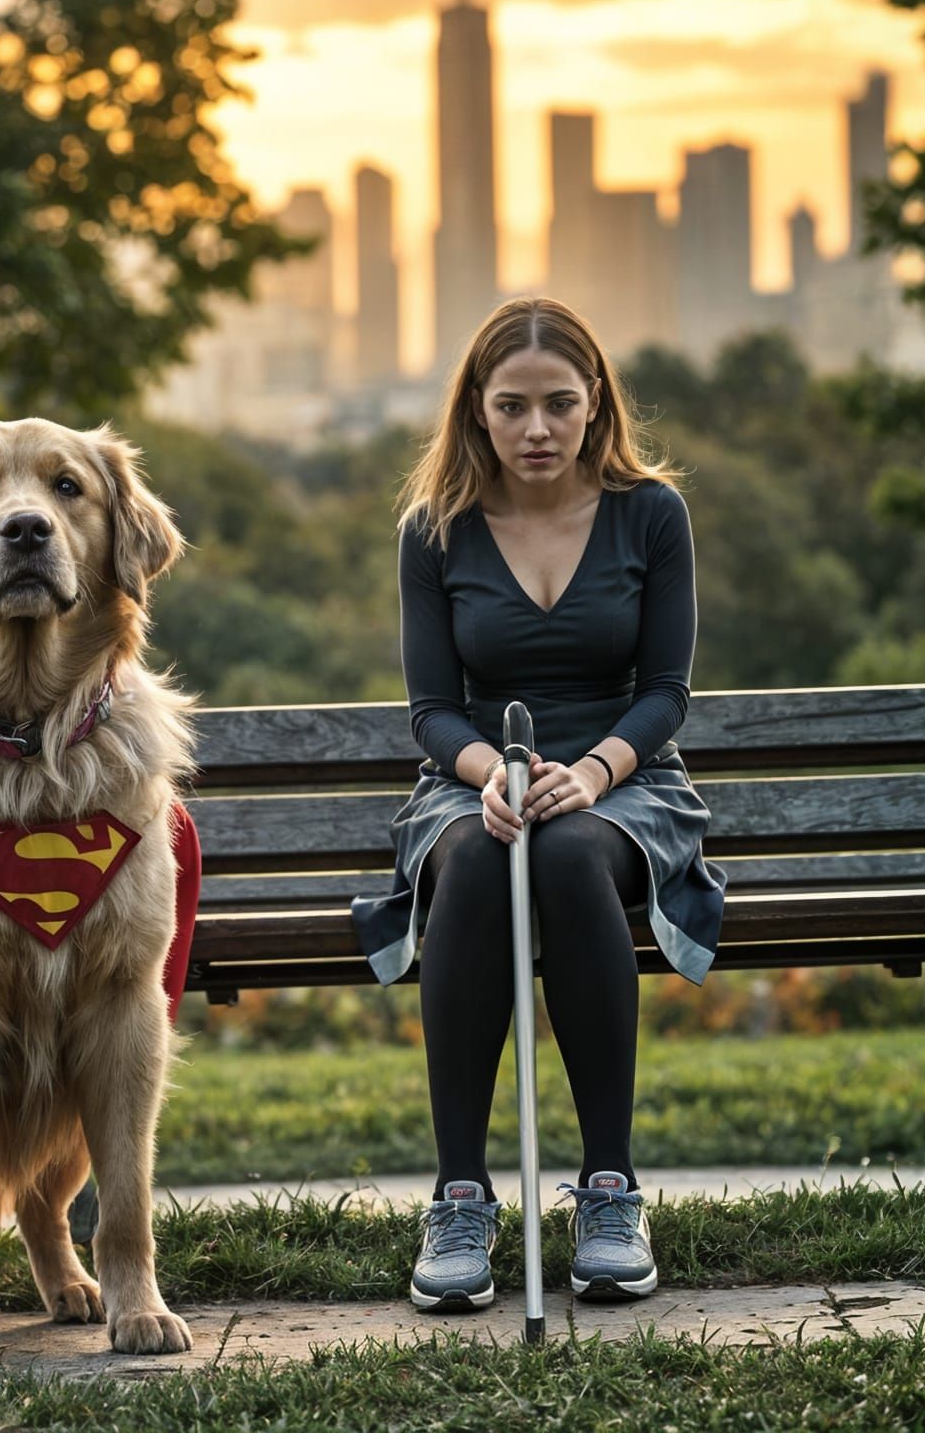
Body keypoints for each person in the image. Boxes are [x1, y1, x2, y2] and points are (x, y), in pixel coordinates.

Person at [350, 296, 728, 1313]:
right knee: (475, 859)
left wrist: (593, 774)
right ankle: (461, 1199)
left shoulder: (653, 514)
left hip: (626, 783)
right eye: (511, 407)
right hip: (477, 780)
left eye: (559, 404)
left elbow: (666, 694)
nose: (537, 431)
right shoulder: (433, 532)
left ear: (596, 400)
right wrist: (492, 777)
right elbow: (431, 709)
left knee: (566, 854)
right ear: (475, 410)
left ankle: (610, 1191)